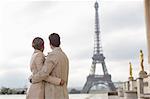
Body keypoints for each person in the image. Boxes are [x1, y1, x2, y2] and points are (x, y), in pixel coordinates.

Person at [31, 33, 69, 99]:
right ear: (59, 42)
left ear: (50, 43)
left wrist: (33, 78)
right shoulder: (64, 56)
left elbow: (43, 74)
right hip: (63, 93)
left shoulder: (52, 56)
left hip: (53, 93)